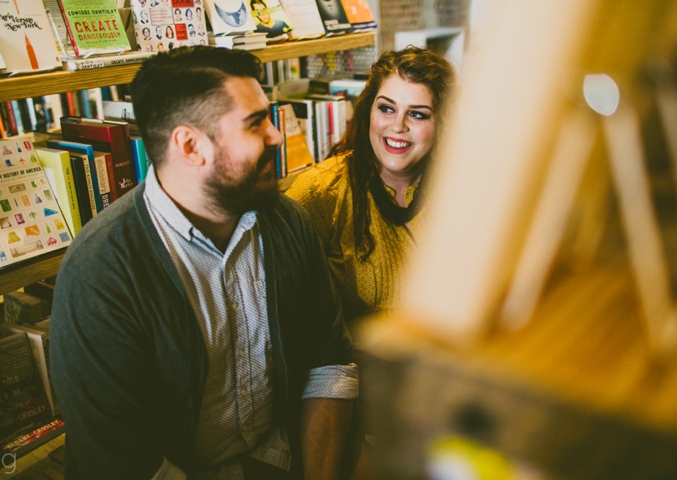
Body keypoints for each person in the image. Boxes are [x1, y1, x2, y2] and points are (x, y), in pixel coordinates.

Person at [51, 46, 358, 480]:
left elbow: (330, 364)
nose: (276, 136)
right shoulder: (99, 273)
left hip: (277, 457)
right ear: (191, 146)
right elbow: (123, 460)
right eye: (256, 124)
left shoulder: (288, 221)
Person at [286, 47, 456, 324]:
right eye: (387, 109)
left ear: (442, 124)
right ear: (368, 112)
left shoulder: (462, 188)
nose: (397, 126)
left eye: (418, 114)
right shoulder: (319, 190)